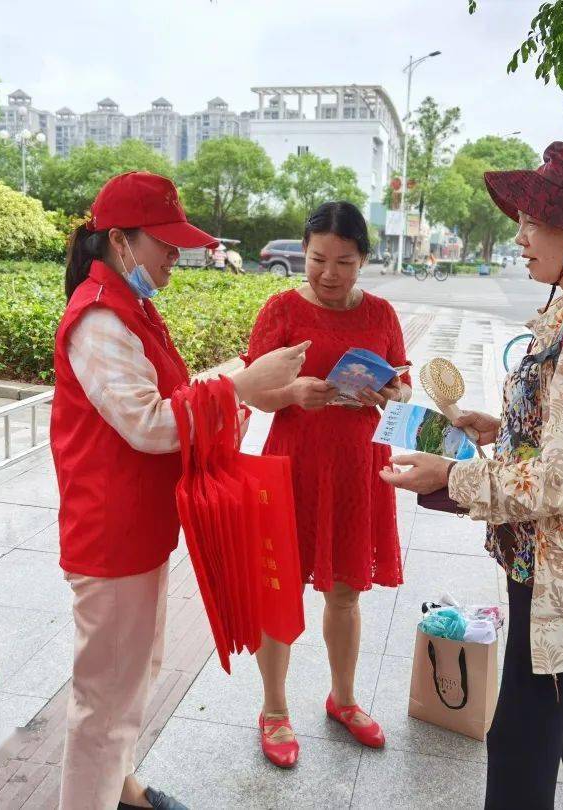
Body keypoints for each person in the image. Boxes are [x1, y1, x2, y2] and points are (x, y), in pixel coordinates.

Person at [381, 142, 563, 810]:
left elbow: (561, 481)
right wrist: (500, 430)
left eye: (535, 221)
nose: (520, 236)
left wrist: (450, 475)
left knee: (521, 745)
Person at [51, 171, 309, 810]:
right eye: (164, 244)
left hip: (138, 527)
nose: (177, 255)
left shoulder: (129, 305)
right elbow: (147, 422)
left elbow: (171, 400)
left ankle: (120, 784)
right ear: (119, 242)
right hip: (111, 535)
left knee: (135, 672)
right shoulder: (98, 319)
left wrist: (247, 397)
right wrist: (240, 389)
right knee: (104, 696)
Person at [243, 201, 412, 768]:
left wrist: (391, 393)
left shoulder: (382, 314)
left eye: (344, 261)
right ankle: (273, 710)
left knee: (345, 590)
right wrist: (291, 393)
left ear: (364, 259)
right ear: (304, 251)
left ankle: (343, 700)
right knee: (281, 586)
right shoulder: (282, 310)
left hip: (357, 468)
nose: (329, 273)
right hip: (293, 464)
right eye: (318, 259)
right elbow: (251, 390)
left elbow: (404, 383)